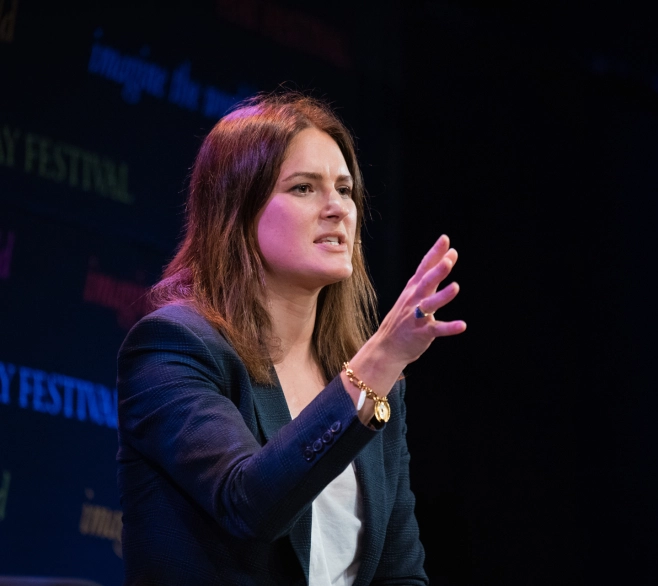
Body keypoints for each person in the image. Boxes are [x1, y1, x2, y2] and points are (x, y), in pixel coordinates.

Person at [116, 92, 466, 586]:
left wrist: (375, 369)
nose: (337, 209)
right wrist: (377, 362)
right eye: (304, 188)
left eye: (345, 189)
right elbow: (249, 504)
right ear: (236, 210)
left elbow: (399, 573)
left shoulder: (376, 383)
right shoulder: (174, 347)